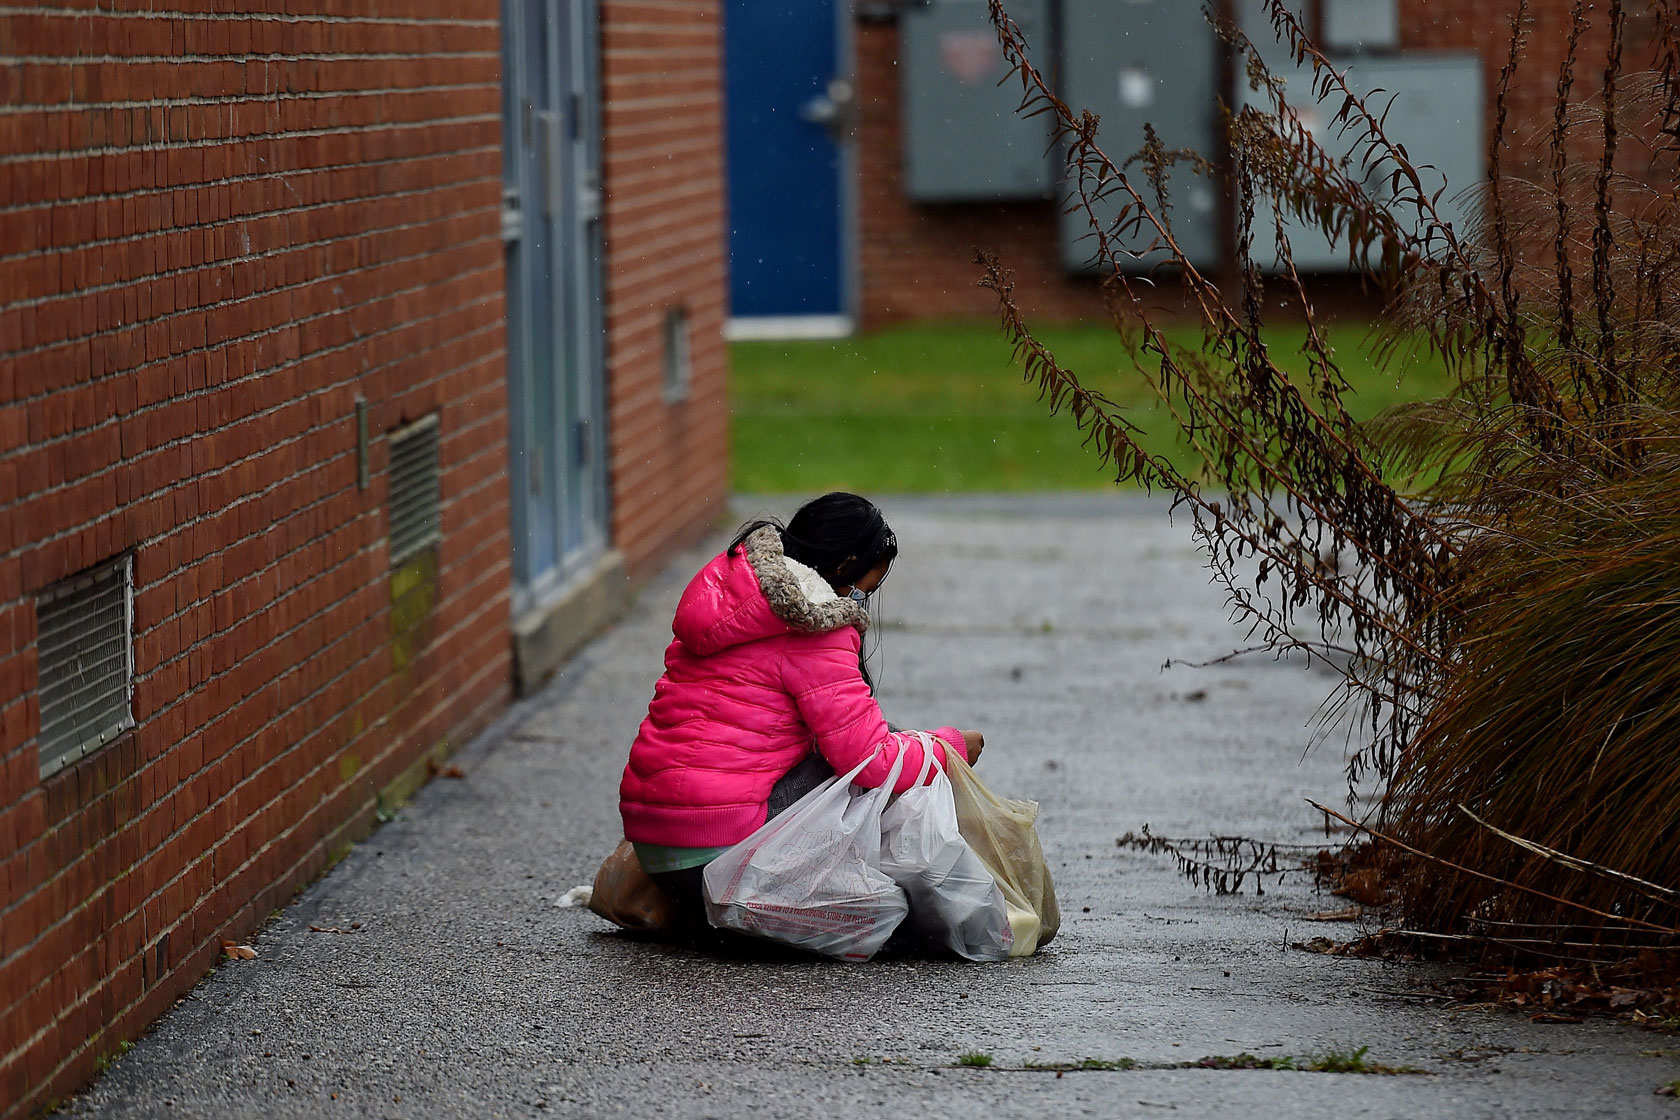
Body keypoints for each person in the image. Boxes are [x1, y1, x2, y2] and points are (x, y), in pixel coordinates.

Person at [618, 492, 984, 926]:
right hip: (719, 855)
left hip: (656, 845)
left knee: (864, 742)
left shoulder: (731, 593)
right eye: (861, 591)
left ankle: (679, 904)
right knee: (893, 887)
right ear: (844, 565)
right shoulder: (812, 624)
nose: (856, 603)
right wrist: (951, 749)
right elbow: (870, 763)